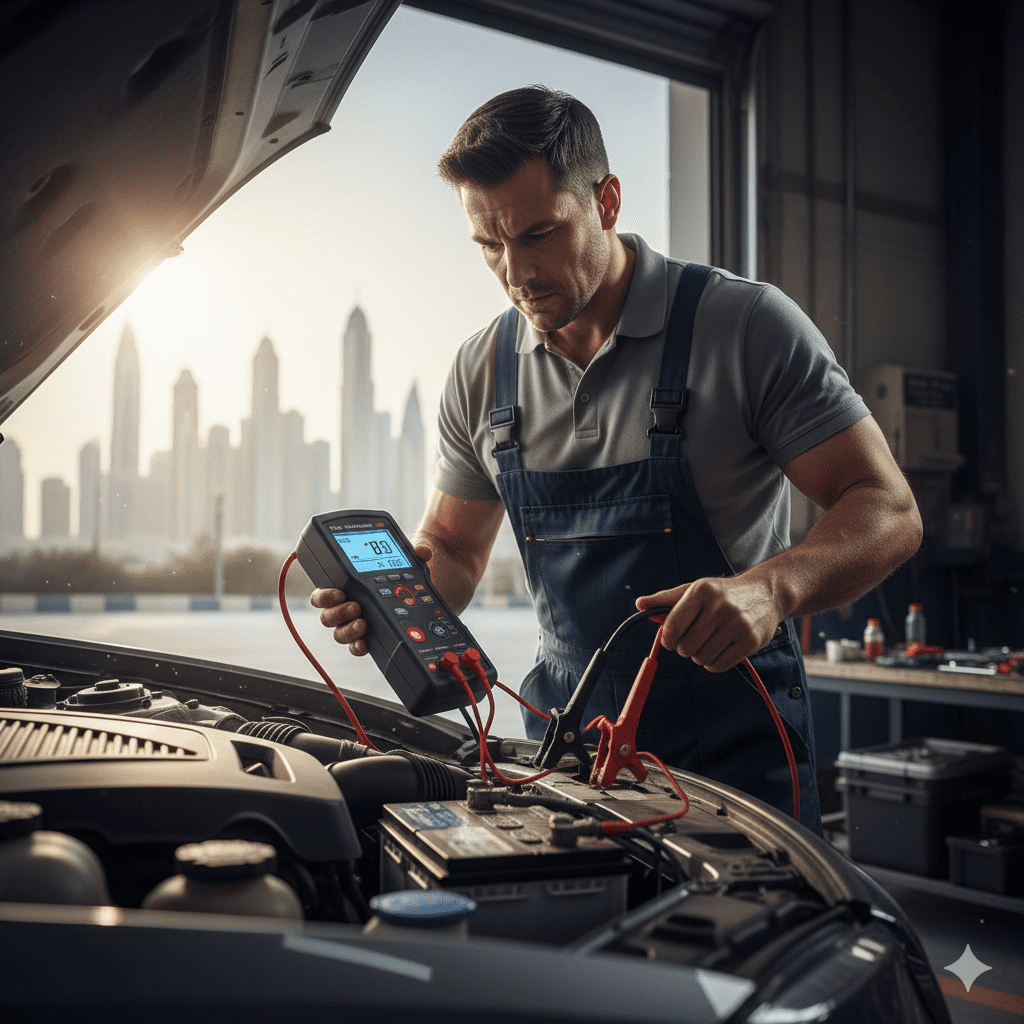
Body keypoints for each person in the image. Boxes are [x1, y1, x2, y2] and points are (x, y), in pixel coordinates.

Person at [312, 86, 922, 836]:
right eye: (489, 245)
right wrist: (392, 603)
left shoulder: (745, 325)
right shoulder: (482, 369)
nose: (516, 272)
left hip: (733, 756)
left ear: (606, 202)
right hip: (569, 756)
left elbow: (888, 508)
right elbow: (455, 550)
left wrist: (772, 591)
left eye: (540, 233)